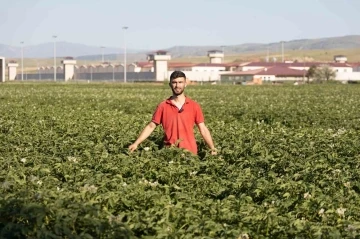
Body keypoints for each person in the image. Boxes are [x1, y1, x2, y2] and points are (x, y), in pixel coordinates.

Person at [129, 70, 217, 155]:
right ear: (170, 84)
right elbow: (151, 126)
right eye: (174, 82)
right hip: (169, 153)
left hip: (190, 153)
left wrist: (212, 148)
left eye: (180, 82)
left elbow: (203, 129)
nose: (177, 85)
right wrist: (136, 143)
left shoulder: (194, 106)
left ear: (185, 84)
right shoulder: (163, 106)